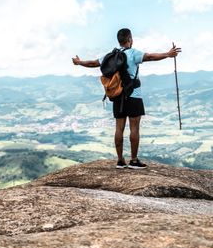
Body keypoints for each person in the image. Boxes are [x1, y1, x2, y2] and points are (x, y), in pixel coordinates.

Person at [72, 28, 181, 169]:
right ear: (130, 39)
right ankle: (134, 160)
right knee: (134, 129)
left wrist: (79, 62)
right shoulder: (133, 53)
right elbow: (150, 57)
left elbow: (93, 63)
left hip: (117, 96)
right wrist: (168, 54)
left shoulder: (110, 55)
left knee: (119, 129)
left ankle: (120, 160)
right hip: (134, 95)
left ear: (119, 40)